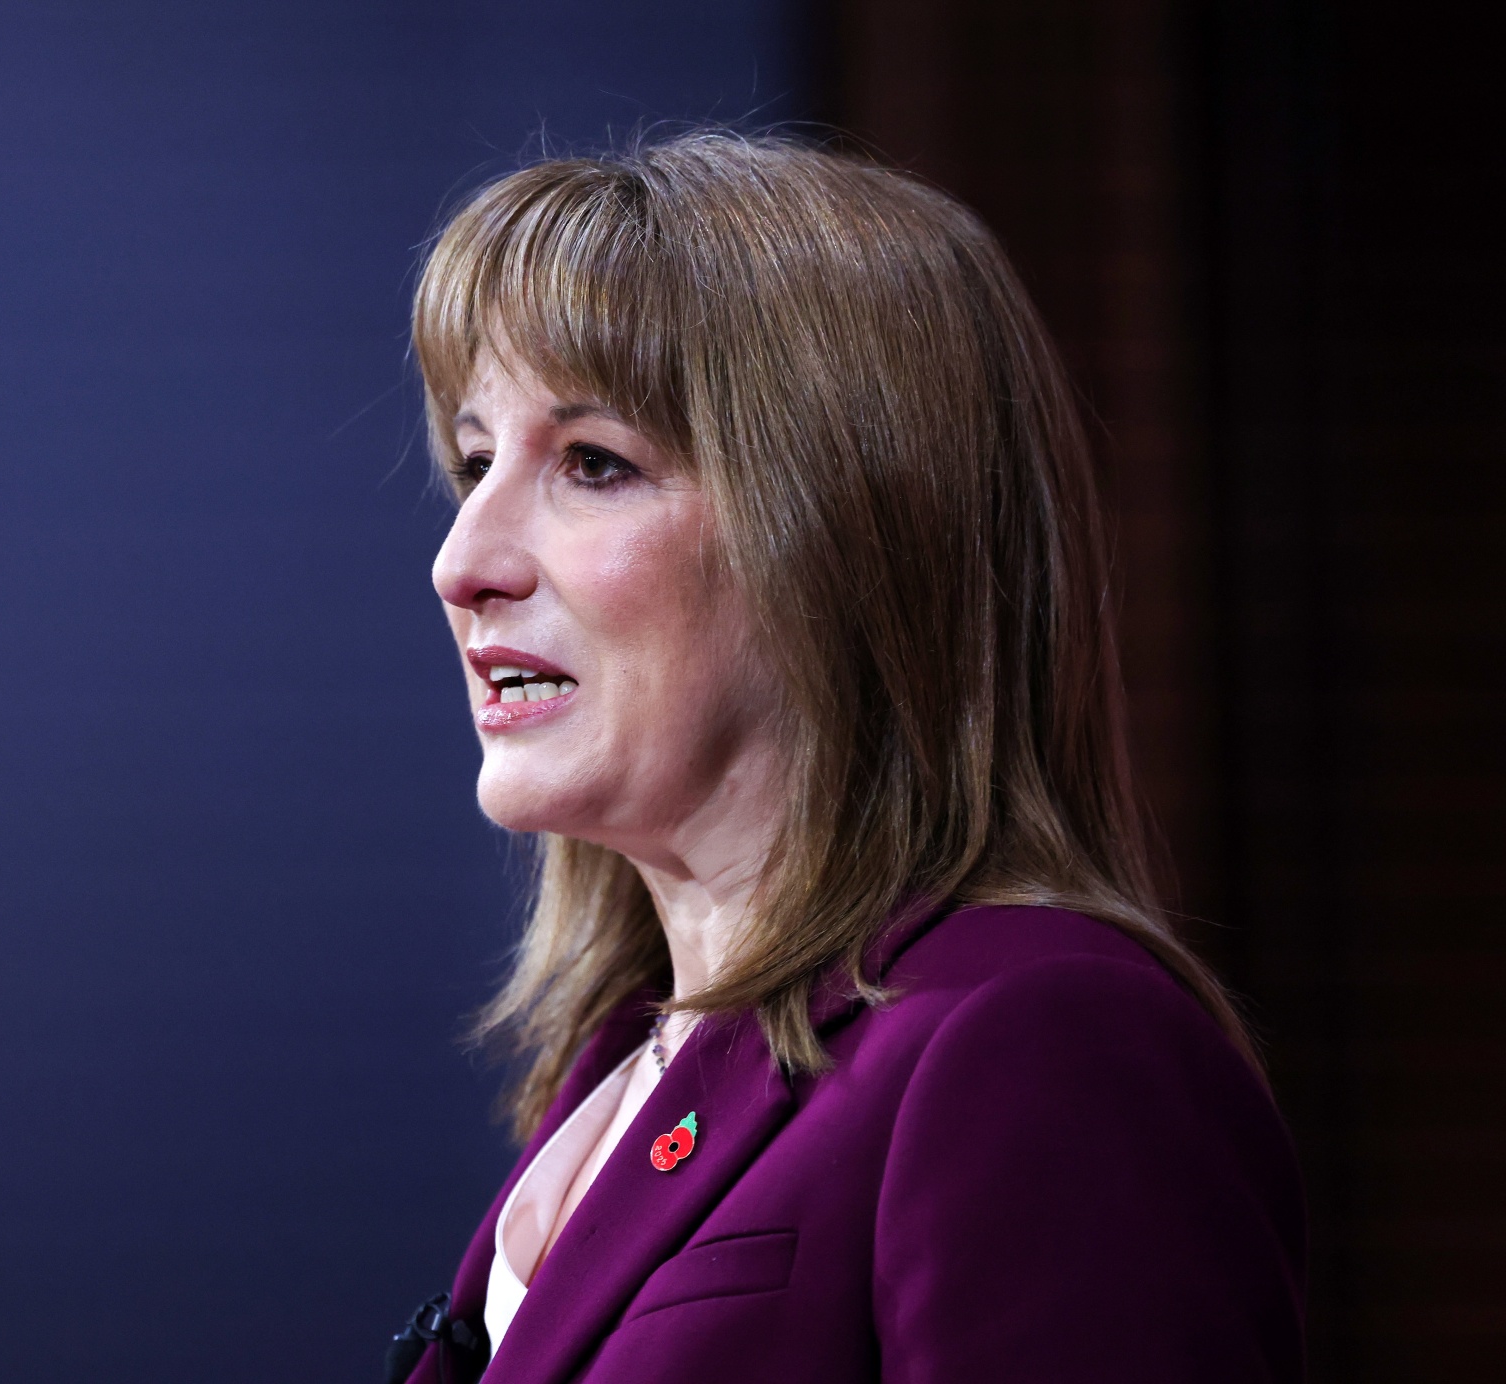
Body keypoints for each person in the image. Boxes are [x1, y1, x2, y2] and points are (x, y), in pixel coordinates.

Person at [387, 131, 1305, 1384]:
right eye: (474, 463)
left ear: (845, 534)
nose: (462, 564)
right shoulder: (614, 1064)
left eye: (592, 464)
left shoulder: (1037, 1040)